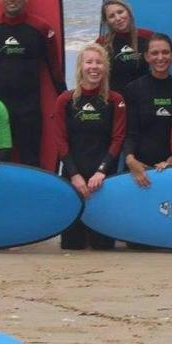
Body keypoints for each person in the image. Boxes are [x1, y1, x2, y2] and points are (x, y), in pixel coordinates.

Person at [0, 0, 65, 168]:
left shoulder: (41, 29)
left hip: (29, 110)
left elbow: (54, 69)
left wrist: (65, 100)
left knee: (31, 162)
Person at [53, 43, 127, 250]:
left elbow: (118, 139)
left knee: (102, 246)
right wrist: (74, 175)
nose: (94, 67)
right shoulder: (65, 100)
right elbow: (60, 140)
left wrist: (101, 172)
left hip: (103, 177)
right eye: (89, 62)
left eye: (99, 62)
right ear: (80, 67)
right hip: (73, 174)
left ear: (106, 68)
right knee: (72, 246)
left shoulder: (115, 100)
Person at [122, 34, 172, 187]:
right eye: (154, 53)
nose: (160, 57)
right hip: (140, 167)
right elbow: (130, 132)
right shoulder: (133, 90)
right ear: (146, 57)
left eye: (165, 52)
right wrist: (130, 159)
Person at [96, 0, 154, 94]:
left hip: (143, 95)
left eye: (120, 12)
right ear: (107, 21)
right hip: (115, 98)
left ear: (128, 12)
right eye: (111, 16)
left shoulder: (147, 36)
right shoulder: (101, 43)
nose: (118, 18)